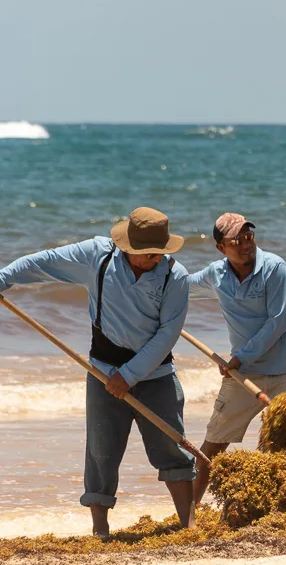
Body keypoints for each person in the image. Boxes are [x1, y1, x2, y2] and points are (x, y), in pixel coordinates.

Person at [0, 208, 195, 538]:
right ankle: (100, 531)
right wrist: (3, 279)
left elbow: (167, 335)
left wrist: (130, 375)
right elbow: (42, 262)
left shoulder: (175, 276)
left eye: (160, 253)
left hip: (156, 375)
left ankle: (190, 525)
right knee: (101, 453)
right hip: (104, 373)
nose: (155, 259)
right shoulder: (96, 257)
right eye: (149, 254)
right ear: (128, 247)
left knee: (172, 450)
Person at [188, 213, 286, 504]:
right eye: (236, 241)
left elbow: (276, 323)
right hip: (241, 377)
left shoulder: (275, 269)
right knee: (208, 451)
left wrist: (240, 357)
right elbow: (180, 288)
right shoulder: (216, 274)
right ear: (221, 248)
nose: (245, 245)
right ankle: (187, 514)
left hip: (284, 375)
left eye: (248, 237)